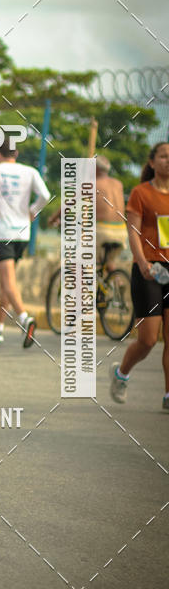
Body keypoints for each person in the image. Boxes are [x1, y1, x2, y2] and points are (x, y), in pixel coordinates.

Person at [110, 141, 169, 411]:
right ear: (152, 162)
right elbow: (132, 232)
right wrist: (143, 262)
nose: (168, 160)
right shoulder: (141, 193)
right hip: (149, 270)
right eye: (163, 156)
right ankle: (121, 373)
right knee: (148, 339)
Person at [0, 138, 50, 346]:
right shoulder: (30, 172)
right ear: (16, 154)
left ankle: (25, 319)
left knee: (8, 282)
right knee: (6, 283)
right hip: (22, 235)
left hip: (2, 234)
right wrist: (33, 210)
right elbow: (45, 195)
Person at [94, 154, 127, 271]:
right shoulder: (118, 184)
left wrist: (53, 218)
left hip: (103, 231)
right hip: (121, 232)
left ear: (96, 168)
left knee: (81, 257)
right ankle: (115, 279)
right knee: (109, 262)